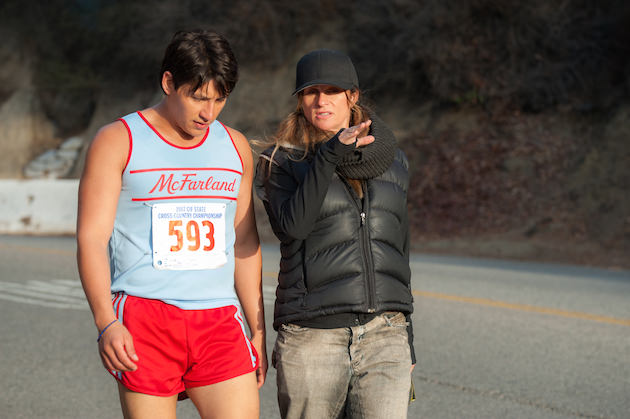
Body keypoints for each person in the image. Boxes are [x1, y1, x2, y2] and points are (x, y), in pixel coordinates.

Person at [77, 29, 267, 418]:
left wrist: (258, 327)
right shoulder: (118, 140)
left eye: (219, 99)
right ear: (168, 83)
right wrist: (106, 322)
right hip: (145, 320)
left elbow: (244, 242)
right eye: (198, 97)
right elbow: (92, 239)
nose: (208, 113)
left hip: (219, 321)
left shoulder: (235, 147)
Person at [254, 49, 415, 419]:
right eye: (310, 92)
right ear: (299, 100)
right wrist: (328, 155)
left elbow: (398, 251)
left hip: (384, 336)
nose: (320, 100)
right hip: (313, 338)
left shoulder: (393, 161)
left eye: (331, 90)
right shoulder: (282, 162)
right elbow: (292, 227)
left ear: (352, 96)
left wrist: (407, 338)